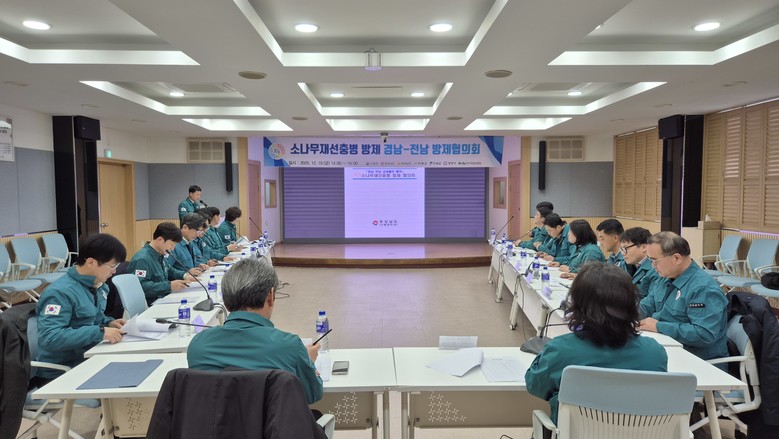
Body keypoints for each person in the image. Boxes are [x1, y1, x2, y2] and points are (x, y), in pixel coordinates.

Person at [525, 263, 668, 426]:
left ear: (577, 304)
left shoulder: (561, 350)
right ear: (631, 304)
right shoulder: (654, 353)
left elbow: (535, 385)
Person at [187, 257, 323, 405]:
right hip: (273, 421)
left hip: (215, 420)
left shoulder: (199, 346)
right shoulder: (290, 346)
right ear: (270, 296)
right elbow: (313, 394)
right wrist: (307, 361)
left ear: (224, 301)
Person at [35, 234, 128, 380]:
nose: (114, 271)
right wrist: (100, 332)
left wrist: (108, 323)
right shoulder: (60, 293)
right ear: (91, 262)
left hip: (89, 358)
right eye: (112, 266)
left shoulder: (98, 286)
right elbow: (50, 337)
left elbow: (93, 318)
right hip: (63, 372)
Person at [639, 232, 728, 361]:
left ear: (677, 258)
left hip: (697, 360)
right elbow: (647, 305)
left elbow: (704, 334)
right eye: (650, 260)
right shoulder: (665, 277)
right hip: (669, 349)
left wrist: (659, 327)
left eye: (655, 260)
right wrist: (622, 316)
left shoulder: (703, 289)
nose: (653, 266)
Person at [127, 222, 198, 305]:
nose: (172, 248)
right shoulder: (142, 259)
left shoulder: (160, 254)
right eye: (171, 244)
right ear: (160, 239)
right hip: (151, 304)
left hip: (164, 298)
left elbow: (169, 270)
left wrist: (185, 275)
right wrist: (169, 286)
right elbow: (141, 286)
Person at [620, 227, 661, 299]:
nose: (623, 253)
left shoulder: (655, 270)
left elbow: (650, 302)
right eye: (621, 249)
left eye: (626, 248)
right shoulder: (624, 266)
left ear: (644, 247)